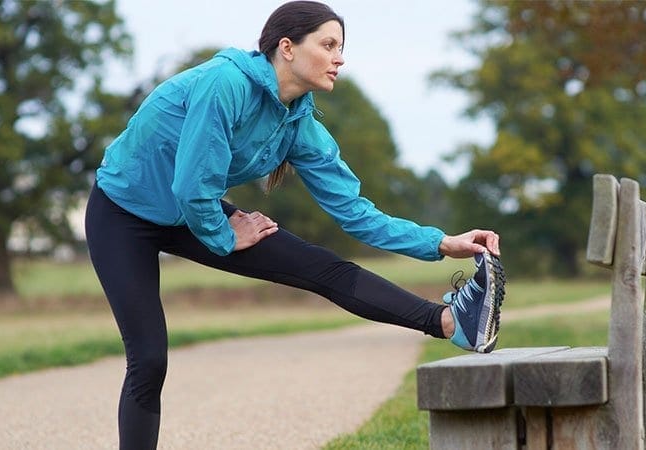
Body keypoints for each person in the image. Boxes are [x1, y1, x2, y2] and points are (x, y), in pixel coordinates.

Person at [83, 1, 505, 448]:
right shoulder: (224, 84)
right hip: (123, 213)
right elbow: (191, 187)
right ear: (287, 47)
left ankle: (451, 322)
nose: (339, 58)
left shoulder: (299, 123)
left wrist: (440, 243)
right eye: (328, 45)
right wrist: (225, 235)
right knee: (149, 358)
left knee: (322, 267)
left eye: (341, 47)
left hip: (195, 209)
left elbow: (356, 213)